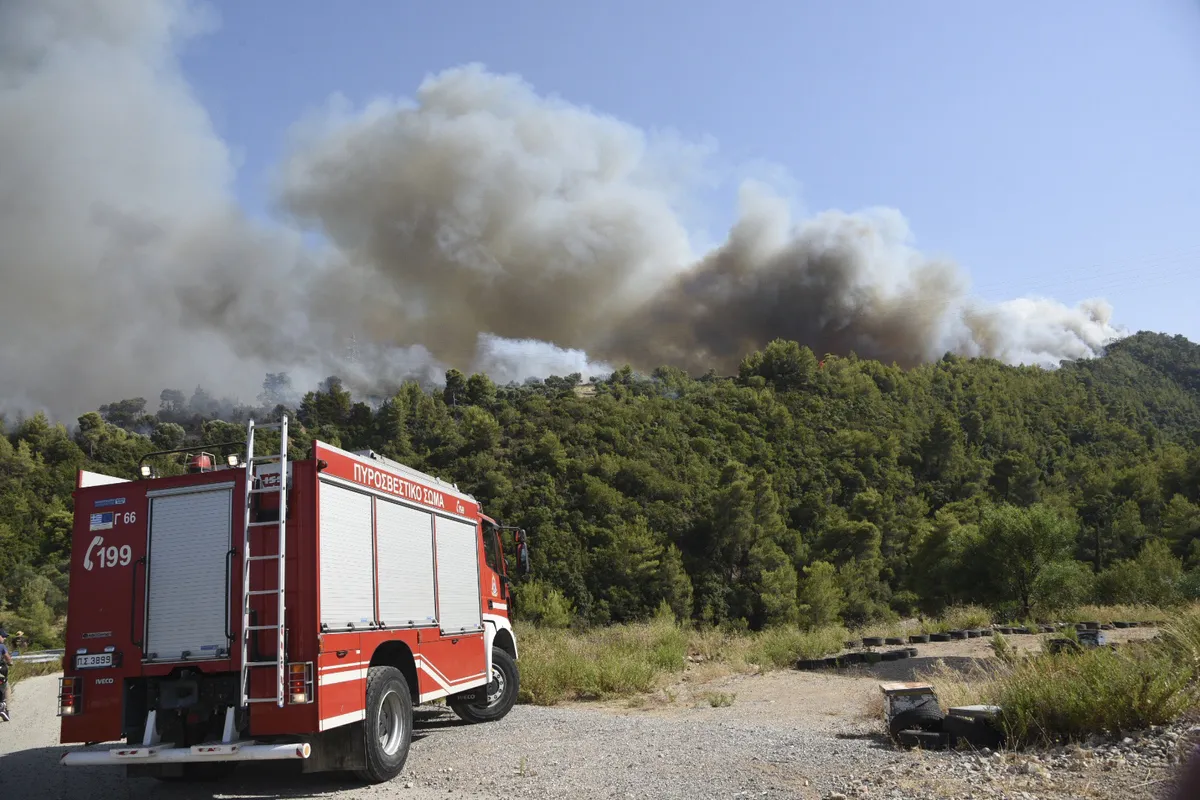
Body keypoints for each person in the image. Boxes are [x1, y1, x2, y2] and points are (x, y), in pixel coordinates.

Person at [0, 629, 11, 722]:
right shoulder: (2, 646)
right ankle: (5, 709)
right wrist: (10, 662)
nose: (4, 638)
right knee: (7, 688)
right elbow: (8, 658)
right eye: (2, 636)